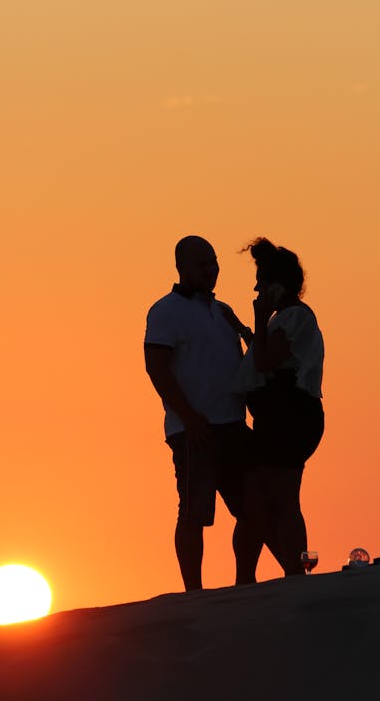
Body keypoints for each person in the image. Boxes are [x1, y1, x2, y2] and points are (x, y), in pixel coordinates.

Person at [144, 235, 262, 590]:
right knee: (194, 512)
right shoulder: (164, 311)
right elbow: (157, 368)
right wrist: (190, 417)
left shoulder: (222, 310)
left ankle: (246, 581)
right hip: (195, 429)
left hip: (234, 425)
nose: (210, 270)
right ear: (181, 268)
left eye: (213, 262)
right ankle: (193, 591)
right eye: (202, 264)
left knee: (252, 507)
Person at [237, 237, 325, 576]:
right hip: (282, 417)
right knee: (262, 498)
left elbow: (264, 362)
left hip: (289, 417)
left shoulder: (292, 318)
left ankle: (290, 572)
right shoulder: (288, 319)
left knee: (281, 497)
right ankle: (261, 574)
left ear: (276, 285)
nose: (257, 289)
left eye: (261, 281)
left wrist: (258, 320)